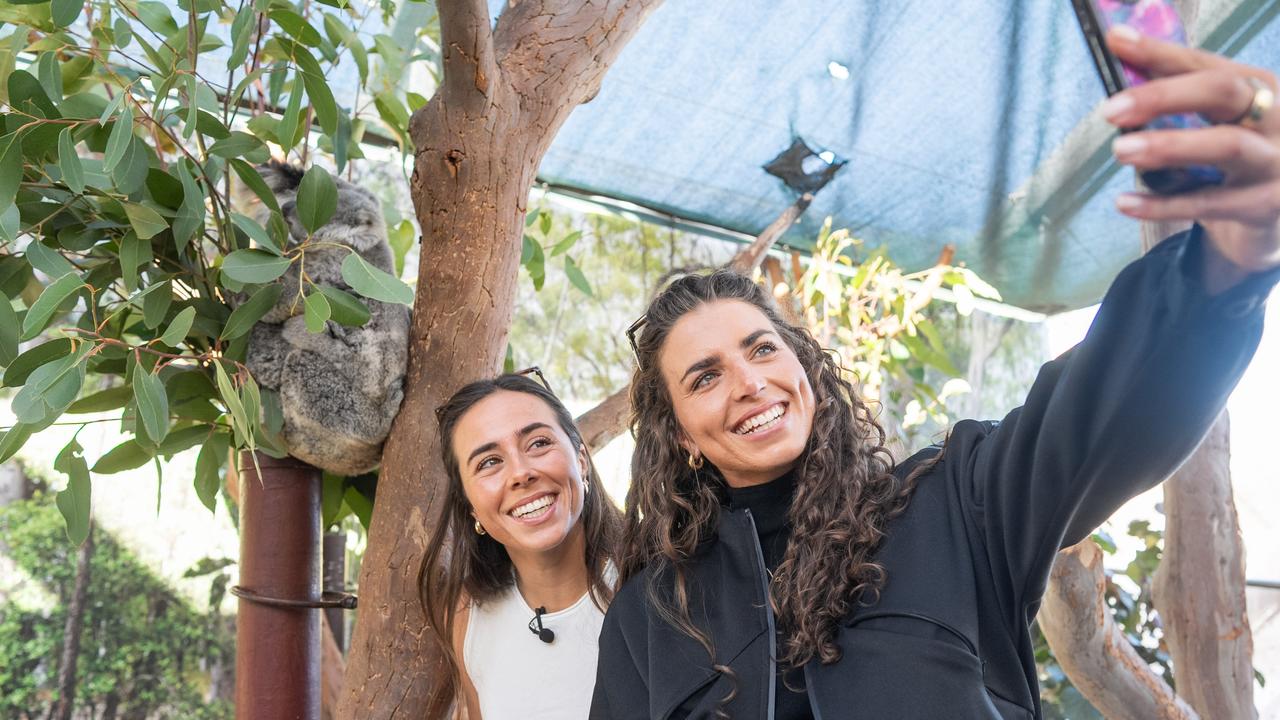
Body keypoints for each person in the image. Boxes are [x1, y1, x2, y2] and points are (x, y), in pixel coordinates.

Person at [590, 28, 1280, 720]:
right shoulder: (652, 617)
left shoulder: (952, 504)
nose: (749, 381)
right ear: (679, 433)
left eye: (763, 349)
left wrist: (1229, 261)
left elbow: (1102, 408)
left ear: (807, 369)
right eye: (705, 377)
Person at [419, 369, 622, 719]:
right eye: (489, 462)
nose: (520, 473)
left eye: (539, 443)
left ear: (582, 461)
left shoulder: (656, 584)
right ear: (470, 505)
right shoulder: (469, 615)